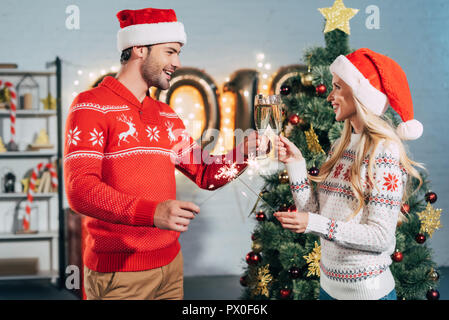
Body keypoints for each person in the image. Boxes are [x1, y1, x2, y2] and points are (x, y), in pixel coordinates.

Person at [64, 7, 267, 300]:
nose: (177, 62)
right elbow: (80, 191)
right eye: (170, 52)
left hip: (171, 266)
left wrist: (242, 153)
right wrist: (153, 212)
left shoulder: (166, 115)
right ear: (138, 49)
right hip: (120, 274)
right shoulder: (91, 105)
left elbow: (206, 173)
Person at [274, 48, 424, 300]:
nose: (330, 96)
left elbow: (379, 236)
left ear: (360, 94)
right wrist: (296, 164)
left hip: (366, 294)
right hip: (328, 288)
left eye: (338, 88)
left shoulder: (383, 153)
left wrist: (314, 223)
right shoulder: (341, 147)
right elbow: (315, 213)